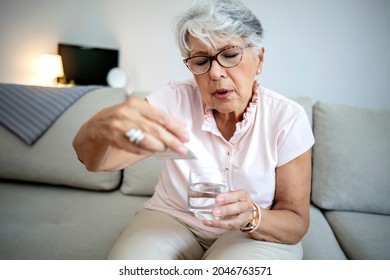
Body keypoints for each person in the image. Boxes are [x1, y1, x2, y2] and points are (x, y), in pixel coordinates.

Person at [73, 0, 314, 260]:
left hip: (251, 232)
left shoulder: (287, 117)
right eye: (201, 61)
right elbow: (96, 162)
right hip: (173, 219)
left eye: (230, 55)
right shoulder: (174, 99)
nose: (216, 73)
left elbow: (295, 222)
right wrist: (100, 127)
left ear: (259, 59)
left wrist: (252, 215)